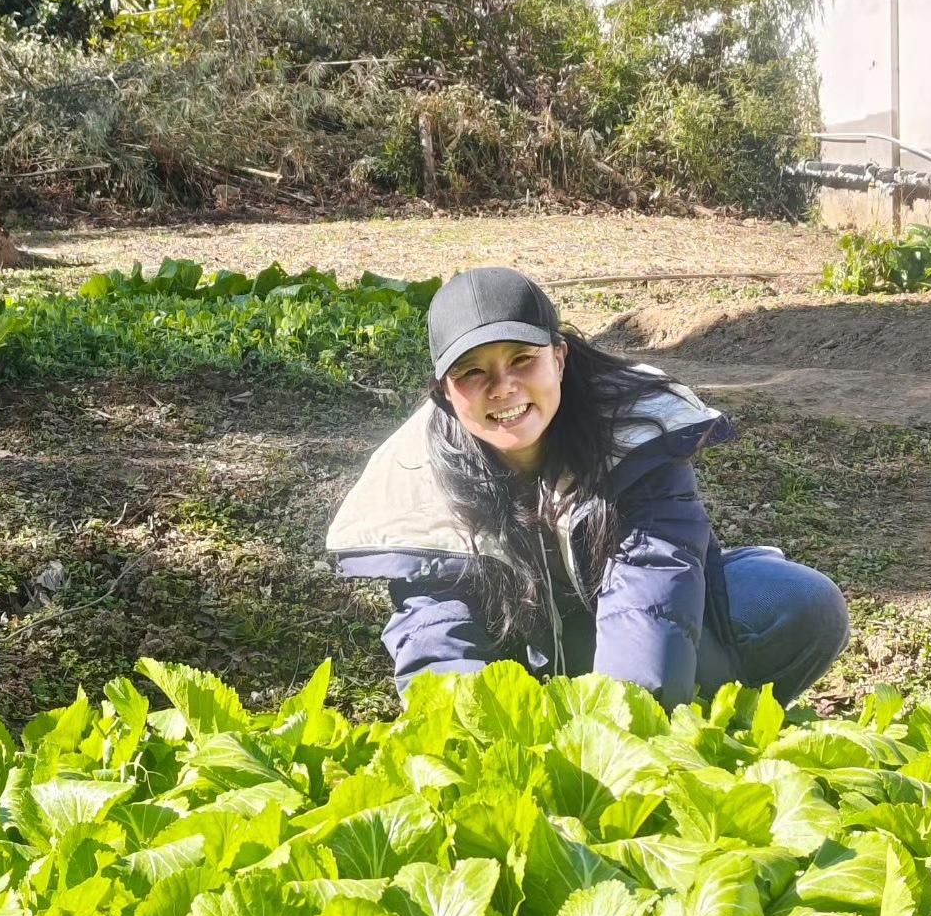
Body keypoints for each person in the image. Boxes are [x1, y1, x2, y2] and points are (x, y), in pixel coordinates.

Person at [326, 266, 849, 709]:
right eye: (472, 372)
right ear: (445, 391)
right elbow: (438, 637)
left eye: (521, 360)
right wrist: (477, 743)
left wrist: (618, 734)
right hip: (517, 665)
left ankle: (709, 731)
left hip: (618, 633)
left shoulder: (633, 432)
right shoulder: (417, 478)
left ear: (559, 357)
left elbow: (651, 589)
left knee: (800, 602)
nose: (503, 387)